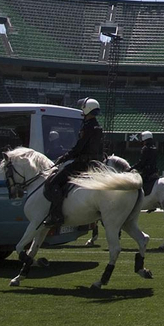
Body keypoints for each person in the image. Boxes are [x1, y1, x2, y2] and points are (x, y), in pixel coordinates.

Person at [43, 98, 105, 229]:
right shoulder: (98, 126)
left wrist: (64, 157)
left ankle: (57, 215)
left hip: (82, 163)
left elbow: (79, 148)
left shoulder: (87, 127)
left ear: (86, 109)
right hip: (95, 164)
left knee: (54, 183)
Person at [136, 130, 159, 196]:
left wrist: (133, 168)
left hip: (146, 172)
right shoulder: (154, 147)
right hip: (154, 171)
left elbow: (142, 162)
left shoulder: (145, 148)